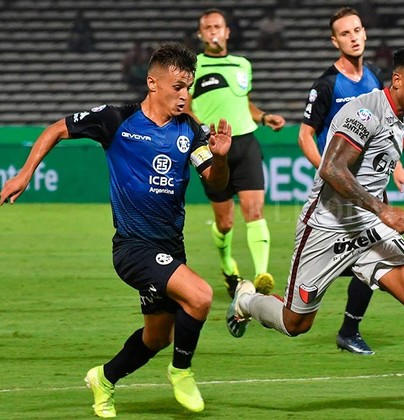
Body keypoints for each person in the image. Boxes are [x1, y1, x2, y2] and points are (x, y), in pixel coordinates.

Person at [226, 46, 404, 419]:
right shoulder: (364, 112)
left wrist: (382, 208)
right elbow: (332, 169)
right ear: (397, 80)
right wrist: (383, 209)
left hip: (367, 227)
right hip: (326, 227)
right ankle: (246, 302)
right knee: (295, 323)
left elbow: (374, 171)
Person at [0, 42, 232, 417]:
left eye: (188, 87)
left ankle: (103, 379)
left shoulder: (190, 130)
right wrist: (25, 173)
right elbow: (56, 129)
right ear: (153, 83)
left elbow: (216, 182)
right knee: (201, 296)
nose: (184, 95)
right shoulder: (116, 120)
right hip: (133, 248)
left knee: (157, 336)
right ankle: (181, 371)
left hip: (171, 248)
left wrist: (220, 160)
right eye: (177, 87)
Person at [298, 7, 404, 356]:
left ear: (365, 33)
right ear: (334, 41)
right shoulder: (326, 85)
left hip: (370, 191)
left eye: (357, 30)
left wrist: (398, 170)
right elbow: (305, 136)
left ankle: (350, 330)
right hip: (337, 194)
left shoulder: (375, 79)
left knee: (378, 254)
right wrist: (330, 172)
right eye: (345, 33)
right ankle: (265, 304)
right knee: (309, 296)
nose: (353, 37)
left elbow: (385, 130)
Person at [185, 9, 285, 298]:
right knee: (225, 222)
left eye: (217, 26)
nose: (213, 31)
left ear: (227, 32)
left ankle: (262, 275)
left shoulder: (242, 64)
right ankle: (228, 266)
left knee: (255, 211)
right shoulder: (194, 66)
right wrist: (203, 131)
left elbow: (245, 103)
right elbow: (186, 107)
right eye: (207, 27)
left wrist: (263, 117)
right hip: (213, 148)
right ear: (201, 34)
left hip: (246, 143)